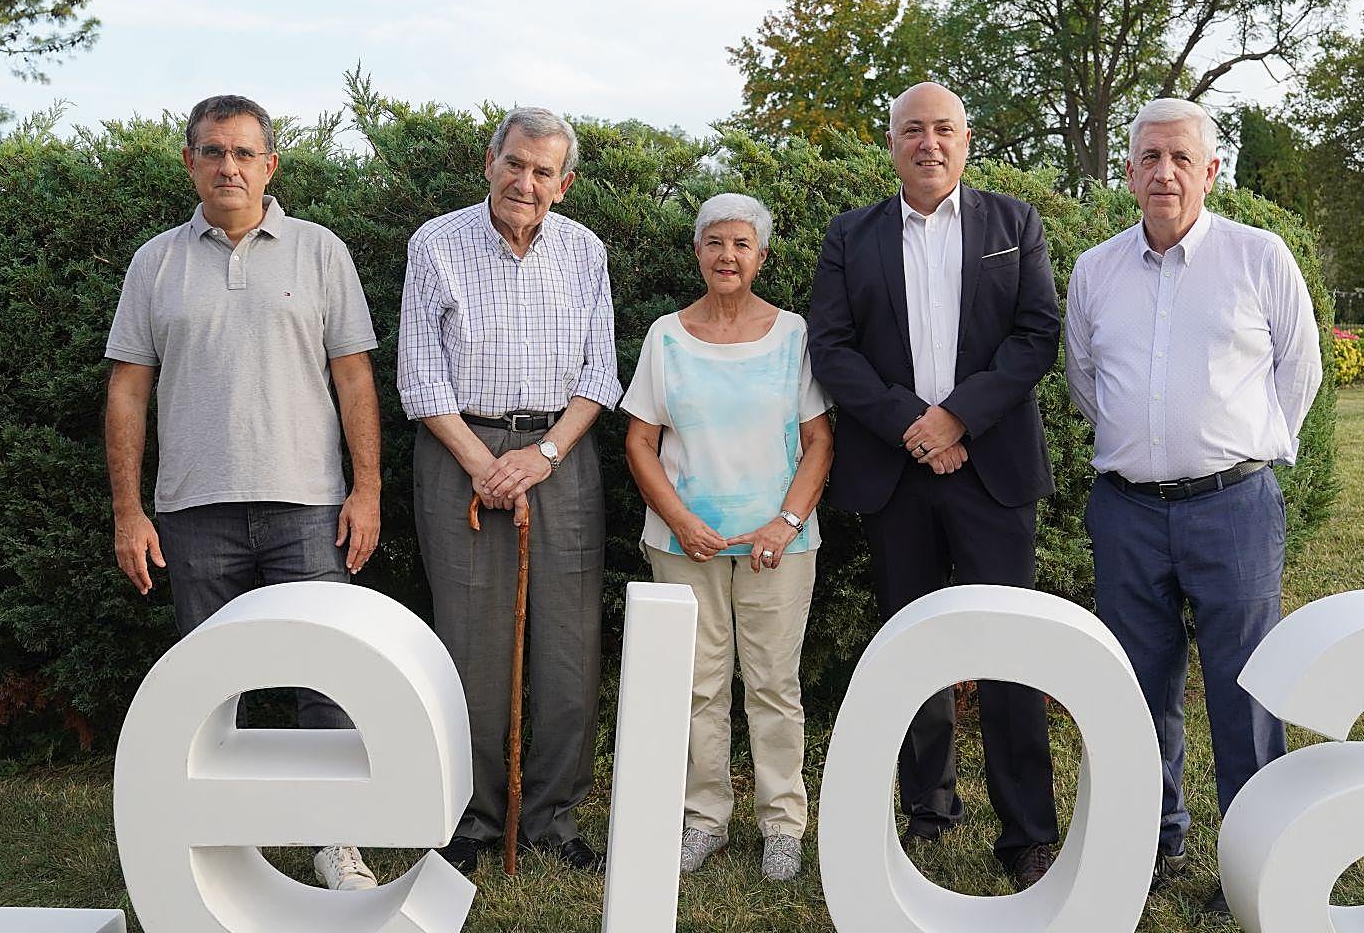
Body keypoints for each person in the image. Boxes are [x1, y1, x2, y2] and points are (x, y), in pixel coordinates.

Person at [105, 93, 383, 894]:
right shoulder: (154, 262)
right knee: (204, 694)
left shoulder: (320, 250)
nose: (229, 166)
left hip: (308, 506)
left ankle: (336, 844)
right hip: (194, 513)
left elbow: (354, 375)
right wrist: (130, 511)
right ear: (190, 162)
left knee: (324, 684)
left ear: (271, 166)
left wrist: (366, 492)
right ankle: (209, 851)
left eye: (243, 153)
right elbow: (127, 392)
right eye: (212, 152)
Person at [1064, 97, 1322, 916]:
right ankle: (1151, 841)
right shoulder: (1094, 271)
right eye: (1149, 158)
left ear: (1212, 170)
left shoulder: (1259, 258)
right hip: (1127, 512)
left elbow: (1299, 370)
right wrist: (1145, 452)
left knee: (1244, 690)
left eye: (1182, 158)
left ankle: (1251, 861)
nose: (1164, 172)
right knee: (1136, 688)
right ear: (1129, 171)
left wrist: (1238, 448)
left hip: (1233, 508)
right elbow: (1084, 382)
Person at [807, 81, 1062, 891]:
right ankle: (929, 806)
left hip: (991, 469)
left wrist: (956, 419)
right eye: (912, 130)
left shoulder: (1012, 224)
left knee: (1008, 650)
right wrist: (914, 426)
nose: (929, 143)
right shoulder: (852, 235)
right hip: (897, 471)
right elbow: (834, 348)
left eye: (943, 129)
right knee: (911, 644)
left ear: (966, 137)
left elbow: (1036, 336)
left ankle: (1026, 831)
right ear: (891, 143)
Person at [398, 107, 621, 875]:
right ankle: (473, 818)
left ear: (566, 184)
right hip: (459, 449)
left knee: (568, 642)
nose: (526, 182)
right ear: (489, 160)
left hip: (561, 453)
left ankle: (553, 819)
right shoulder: (435, 244)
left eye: (543, 171)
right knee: (469, 639)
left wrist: (544, 455)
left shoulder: (586, 252)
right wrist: (482, 463)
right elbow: (421, 379)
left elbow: (600, 376)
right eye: (515, 163)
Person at [623, 193, 834, 883]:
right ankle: (704, 819)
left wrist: (786, 521)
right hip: (685, 543)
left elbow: (818, 441)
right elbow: (640, 441)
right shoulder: (667, 336)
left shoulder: (794, 335)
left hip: (778, 545)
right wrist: (680, 521)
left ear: (762, 257)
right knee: (696, 686)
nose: (727, 256)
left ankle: (782, 825)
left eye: (742, 244)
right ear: (697, 252)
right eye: (715, 242)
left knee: (774, 685)